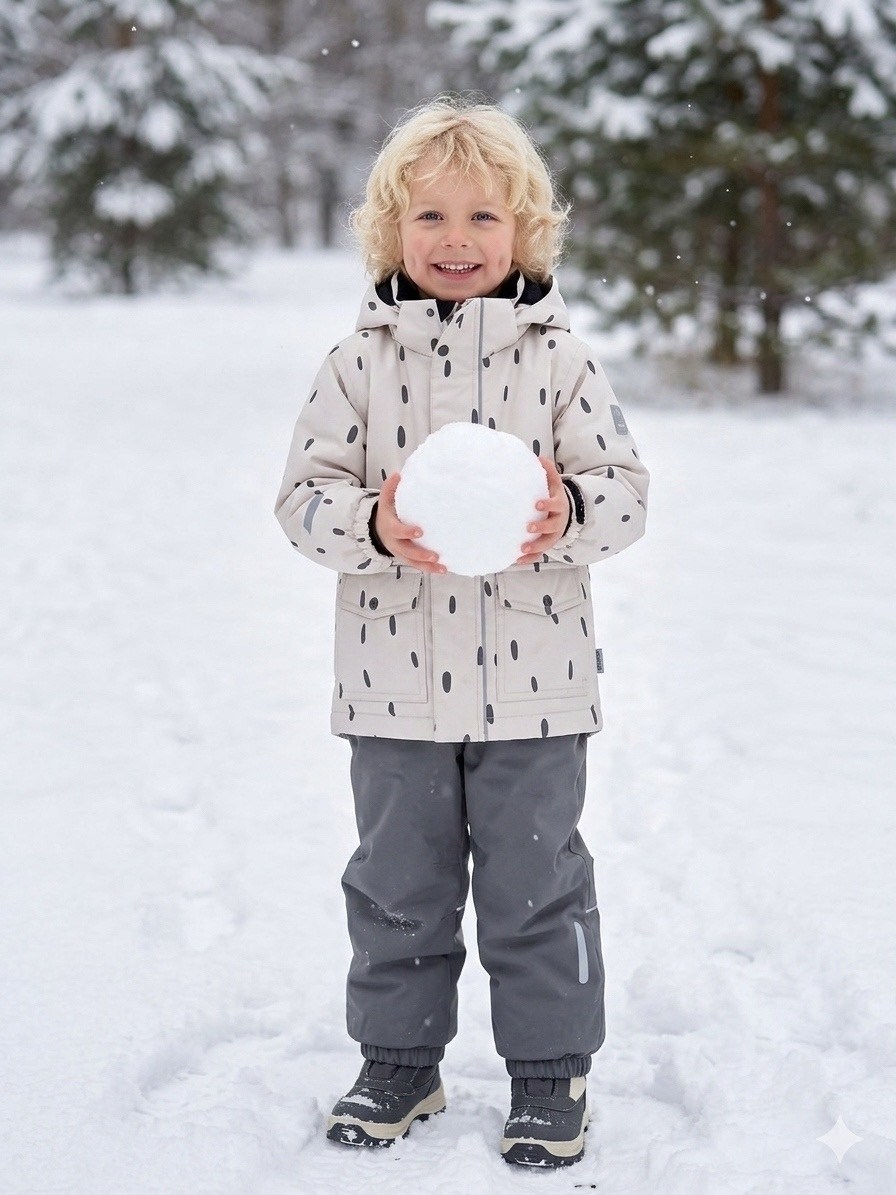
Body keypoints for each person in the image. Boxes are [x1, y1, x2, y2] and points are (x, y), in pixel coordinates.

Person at [274, 97, 649, 1169]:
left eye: (483, 217)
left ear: (524, 232)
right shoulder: (355, 365)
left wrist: (567, 512)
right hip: (392, 686)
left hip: (536, 686)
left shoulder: (560, 364)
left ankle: (550, 1071)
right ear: (388, 229)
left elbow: (625, 493)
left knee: (537, 887)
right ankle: (400, 1060)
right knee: (398, 884)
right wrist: (373, 524)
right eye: (429, 216)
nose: (455, 240)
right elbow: (302, 501)